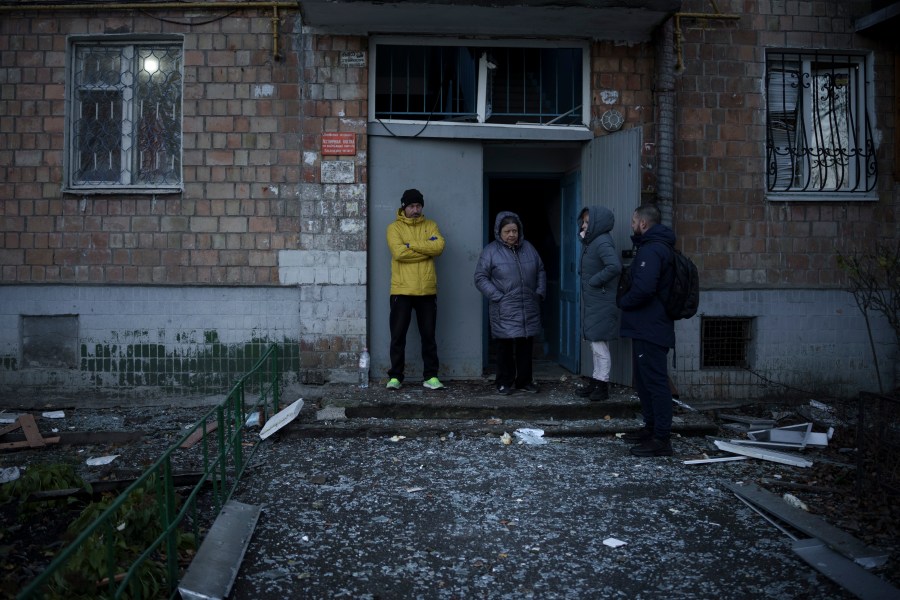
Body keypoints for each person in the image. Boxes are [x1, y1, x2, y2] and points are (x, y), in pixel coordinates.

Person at [616, 203, 676, 457]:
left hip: (650, 326)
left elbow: (644, 289)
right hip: (648, 326)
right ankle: (651, 429)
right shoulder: (656, 247)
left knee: (654, 382)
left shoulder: (652, 250)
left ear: (643, 223)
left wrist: (623, 302)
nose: (631, 226)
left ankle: (661, 438)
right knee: (644, 381)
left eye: (633, 221)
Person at [474, 211, 547, 395]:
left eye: (514, 230)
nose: (512, 235)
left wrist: (539, 293)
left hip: (527, 306)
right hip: (504, 307)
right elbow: (480, 277)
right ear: (499, 232)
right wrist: (498, 296)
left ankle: (524, 381)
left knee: (525, 344)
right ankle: (503, 382)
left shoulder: (529, 248)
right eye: (507, 231)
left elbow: (540, 270)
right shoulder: (491, 251)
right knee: (504, 347)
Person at [385, 188, 446, 390]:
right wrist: (425, 249)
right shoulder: (394, 228)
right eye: (411, 206)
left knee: (429, 336)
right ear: (404, 207)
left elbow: (439, 247)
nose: (415, 209)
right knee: (398, 336)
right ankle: (395, 377)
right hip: (401, 290)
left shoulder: (431, 225)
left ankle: (431, 376)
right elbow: (399, 253)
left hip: (426, 291)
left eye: (418, 205)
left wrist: (411, 245)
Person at [576, 205, 622, 401]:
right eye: (583, 222)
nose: (584, 225)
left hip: (601, 300)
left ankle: (602, 386)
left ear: (597, 223)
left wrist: (594, 281)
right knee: (596, 343)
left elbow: (614, 266)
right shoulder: (592, 242)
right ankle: (596, 381)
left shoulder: (601, 242)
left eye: (587, 222)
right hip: (596, 300)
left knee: (599, 345)